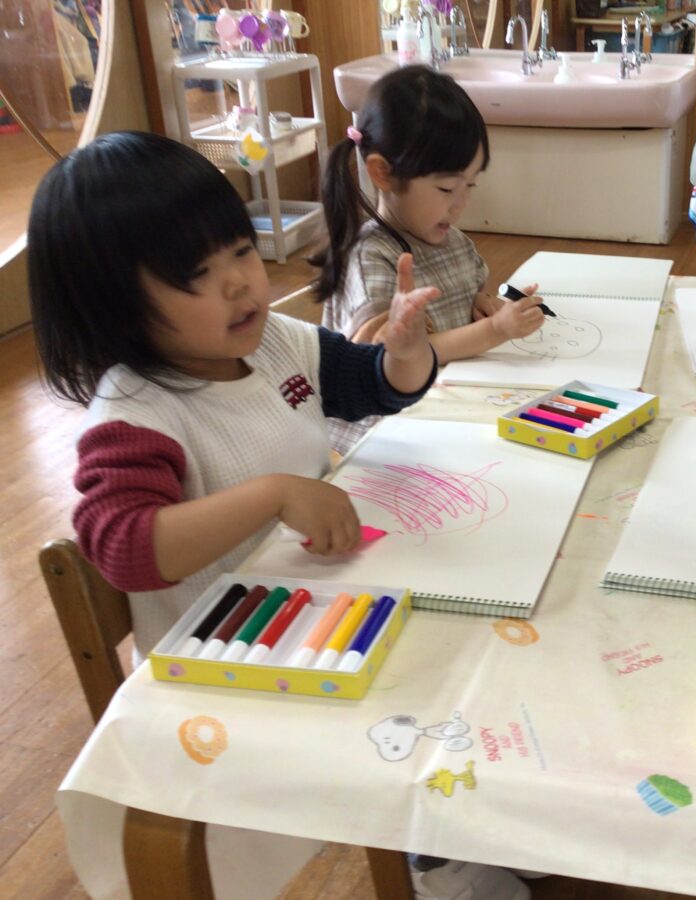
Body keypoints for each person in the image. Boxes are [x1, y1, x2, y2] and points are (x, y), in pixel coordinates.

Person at [28, 131, 437, 658]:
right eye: (197, 273)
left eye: (242, 250)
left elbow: (374, 384)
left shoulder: (276, 342)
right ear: (113, 306)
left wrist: (405, 353)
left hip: (313, 618)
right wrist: (275, 495)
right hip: (216, 663)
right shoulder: (134, 415)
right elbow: (123, 548)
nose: (238, 283)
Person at [315, 64, 545, 454]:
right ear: (383, 174)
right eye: (447, 188)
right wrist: (495, 330)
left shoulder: (452, 241)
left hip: (449, 404)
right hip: (387, 439)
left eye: (470, 185)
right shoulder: (373, 257)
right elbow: (389, 355)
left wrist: (481, 303)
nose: (461, 204)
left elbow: (462, 296)